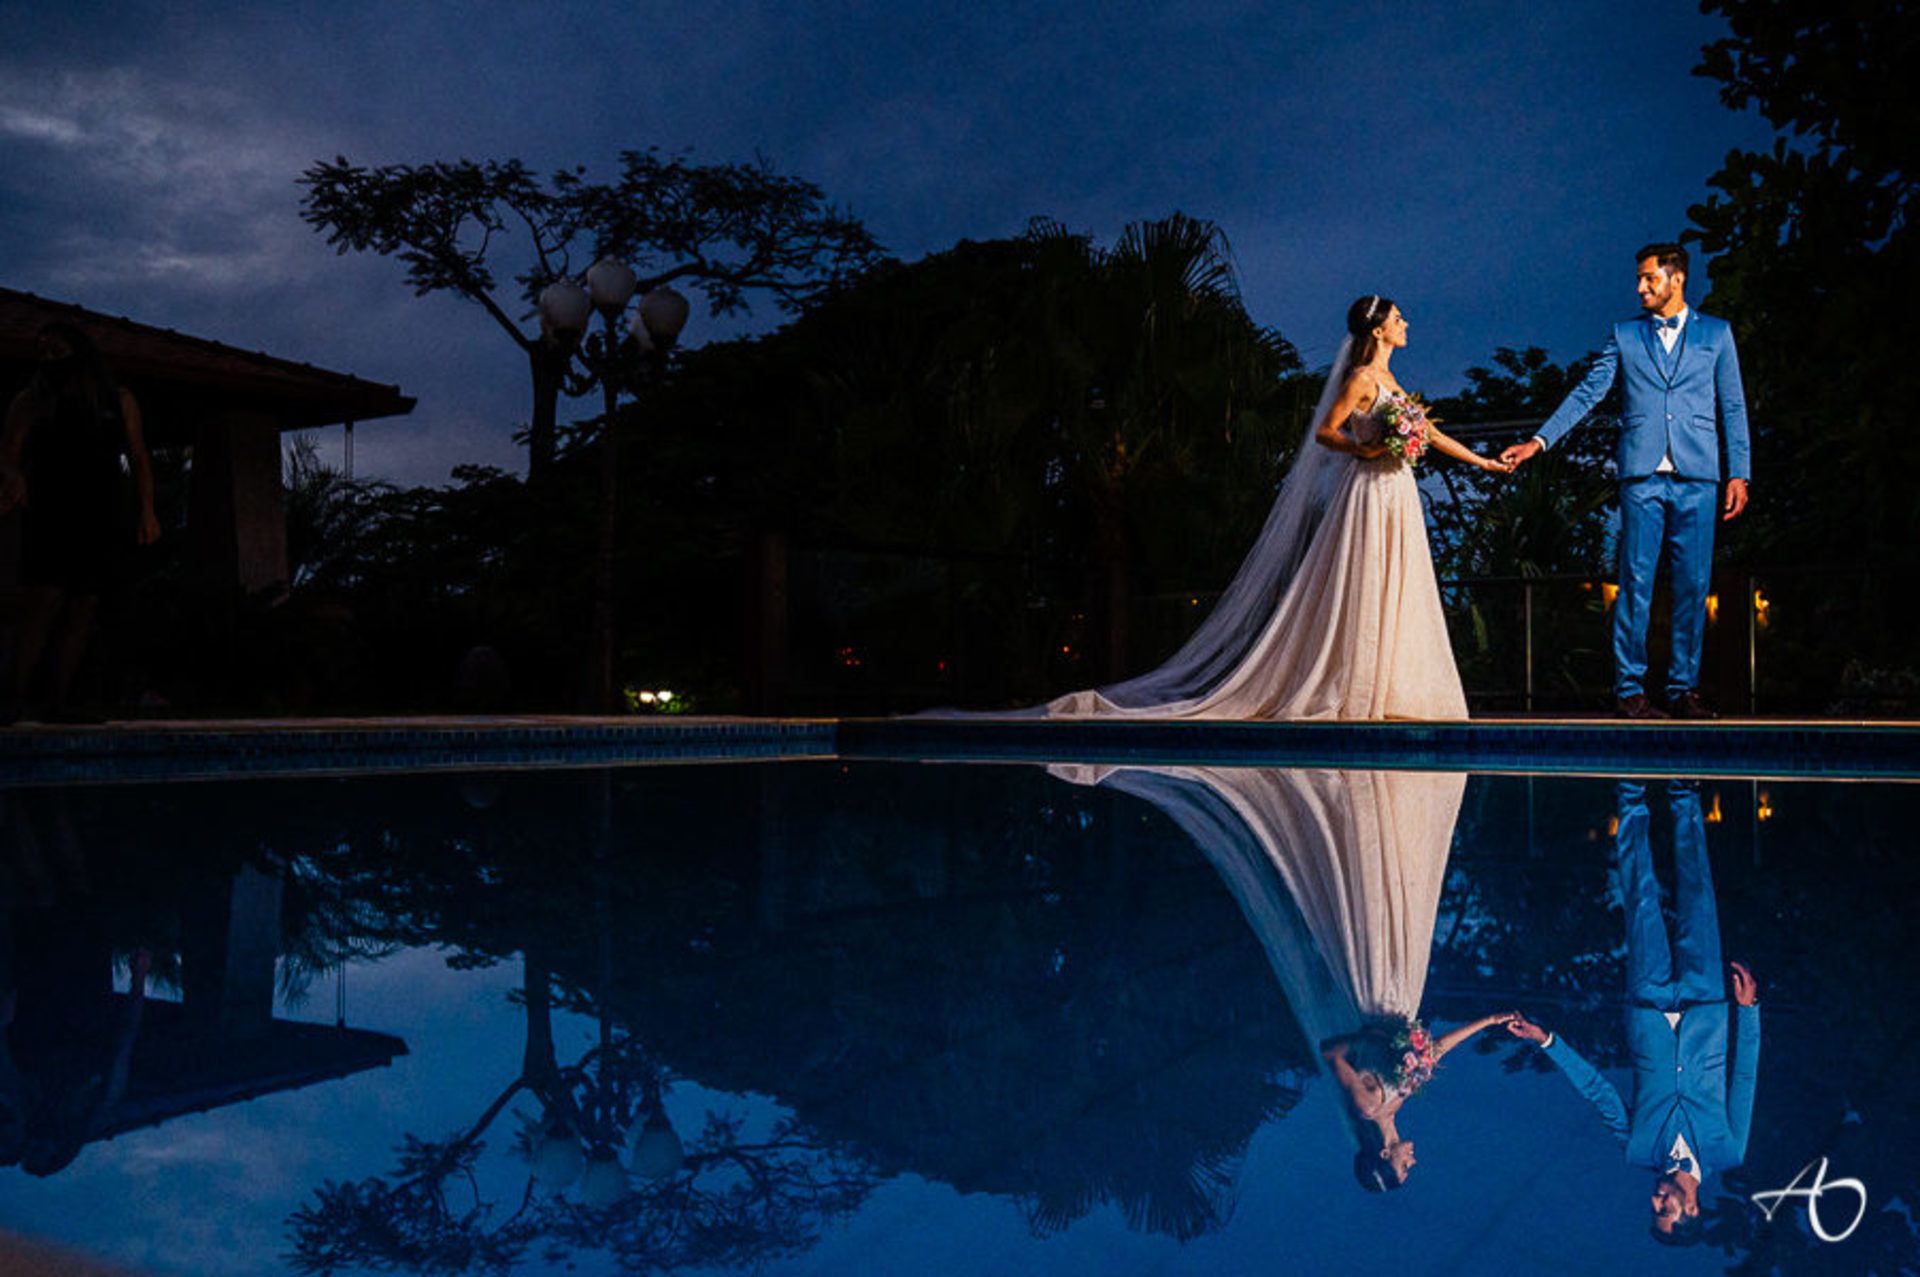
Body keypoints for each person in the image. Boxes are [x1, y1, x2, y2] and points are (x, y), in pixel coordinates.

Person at [1041, 295, 1511, 721]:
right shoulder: (1362, 379)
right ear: (1377, 331)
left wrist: (1483, 462)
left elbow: (1429, 432)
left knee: (1398, 582)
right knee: (1365, 581)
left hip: (1399, 493)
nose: (1405, 323)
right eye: (1397, 318)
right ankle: (1354, 688)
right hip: (1368, 490)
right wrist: (1365, 450)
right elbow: (1326, 431)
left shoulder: (1391, 379)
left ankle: (1395, 690)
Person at [1048, 763, 1513, 1189]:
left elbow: (1330, 1053)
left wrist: (1369, 1033)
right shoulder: (1394, 1107)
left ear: (1384, 1156)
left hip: (1372, 1005)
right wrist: (1487, 1022)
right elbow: (1429, 1053)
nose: (1413, 1162)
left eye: (1403, 1167)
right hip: (1393, 1014)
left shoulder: (1367, 1107)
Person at [1500, 243, 1752, 720]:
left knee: (1693, 586)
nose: (1639, 288)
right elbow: (1588, 393)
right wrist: (1538, 441)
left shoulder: (1717, 335)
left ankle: (1683, 690)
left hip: (1699, 476)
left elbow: (1733, 406)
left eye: (1648, 279)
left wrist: (1740, 472)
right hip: (1641, 478)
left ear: (1675, 279)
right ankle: (1630, 692)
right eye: (1639, 279)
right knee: (1635, 582)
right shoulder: (1626, 335)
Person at [1504, 781, 1761, 1243]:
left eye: (1655, 1209)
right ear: (1692, 1208)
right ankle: (1685, 794)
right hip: (1706, 1008)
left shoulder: (1637, 1149)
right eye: (1665, 1209)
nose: (1655, 1200)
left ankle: (1631, 793)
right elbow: (1744, 1078)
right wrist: (1750, 1012)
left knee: (1641, 901)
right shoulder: (1729, 1149)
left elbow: (1597, 1090)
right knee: (1698, 899)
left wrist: (1546, 1041)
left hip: (1649, 1006)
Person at [0, 323, 161, 723]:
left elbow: (139, 458)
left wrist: (147, 510)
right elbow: (7, 454)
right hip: (51, 510)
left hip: (101, 511)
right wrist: (13, 476)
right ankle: (13, 697)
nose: (50, 360)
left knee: (83, 605)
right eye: (44, 354)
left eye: (57, 351)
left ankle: (58, 700)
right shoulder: (31, 400)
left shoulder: (116, 400)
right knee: (44, 601)